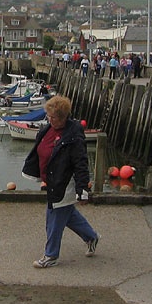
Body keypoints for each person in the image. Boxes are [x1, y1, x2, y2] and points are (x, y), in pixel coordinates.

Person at [21, 95, 98, 268]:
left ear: (63, 117)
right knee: (68, 214)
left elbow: (81, 163)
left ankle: (51, 255)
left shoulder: (74, 134)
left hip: (64, 183)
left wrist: (82, 189)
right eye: (48, 116)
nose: (49, 119)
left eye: (53, 117)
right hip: (51, 179)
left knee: (54, 217)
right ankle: (91, 237)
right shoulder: (49, 128)